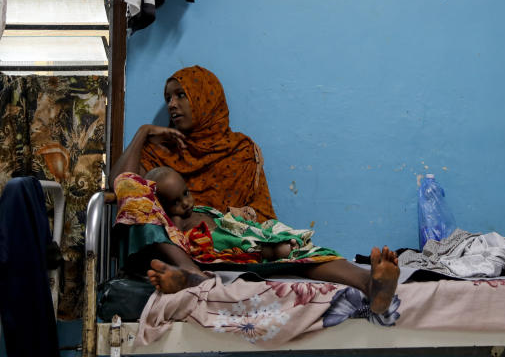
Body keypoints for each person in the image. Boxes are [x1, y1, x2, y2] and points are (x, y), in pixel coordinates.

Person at [108, 66, 399, 314]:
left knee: (294, 247)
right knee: (135, 193)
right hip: (177, 247)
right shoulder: (159, 153)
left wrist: (241, 231)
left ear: (206, 98)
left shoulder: (240, 150)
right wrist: (144, 132)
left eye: (180, 95)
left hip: (229, 242)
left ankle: (369, 283)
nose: (172, 104)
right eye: (168, 98)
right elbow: (123, 183)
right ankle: (190, 273)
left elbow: (260, 215)